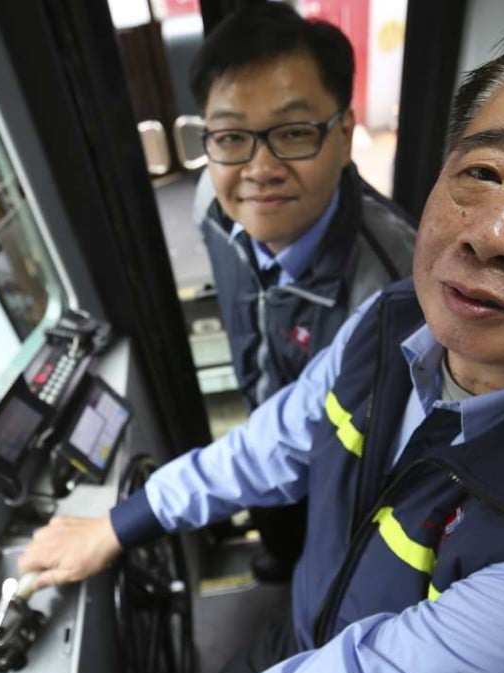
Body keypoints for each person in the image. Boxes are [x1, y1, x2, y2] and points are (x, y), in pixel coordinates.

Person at [19, 1, 504, 673]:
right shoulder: (394, 317)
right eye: (483, 170)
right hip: (303, 623)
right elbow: (280, 437)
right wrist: (123, 521)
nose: (490, 234)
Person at [190, 3, 415, 581]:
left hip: (340, 466)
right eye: (231, 136)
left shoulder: (394, 288)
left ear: (343, 135)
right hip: (260, 406)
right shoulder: (212, 207)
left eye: (292, 133)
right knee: (279, 529)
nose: (259, 168)